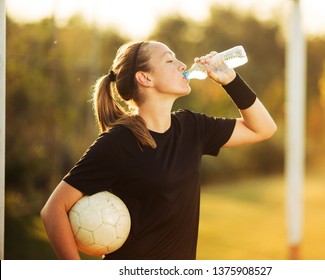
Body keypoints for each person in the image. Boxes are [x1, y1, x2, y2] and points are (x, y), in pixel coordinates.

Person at [40, 40, 277, 260]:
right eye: (169, 60)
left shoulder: (192, 127)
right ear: (145, 78)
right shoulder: (118, 143)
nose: (182, 64)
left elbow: (263, 129)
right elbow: (53, 210)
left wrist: (231, 80)